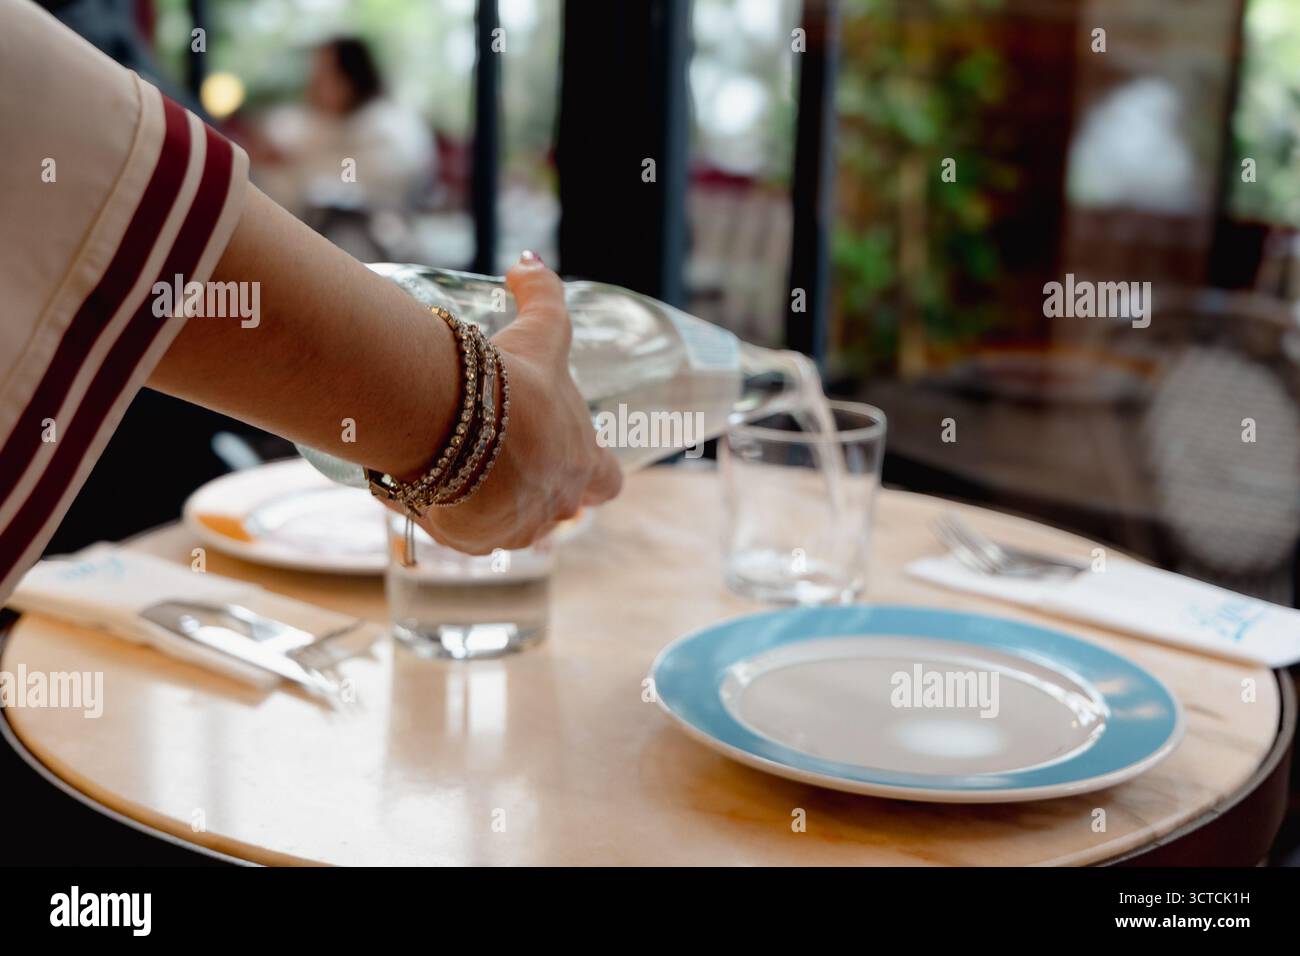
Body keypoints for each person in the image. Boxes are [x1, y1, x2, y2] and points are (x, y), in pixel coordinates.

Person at [0, 0, 622, 602]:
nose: (312, 83)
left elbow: (87, 162)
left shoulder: (381, 129)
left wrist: (464, 420)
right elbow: (74, 158)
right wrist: (475, 428)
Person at [251, 36, 435, 218]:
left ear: (348, 81)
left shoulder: (387, 131)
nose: (311, 86)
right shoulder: (341, 125)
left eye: (322, 76)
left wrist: (287, 165)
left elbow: (346, 188)